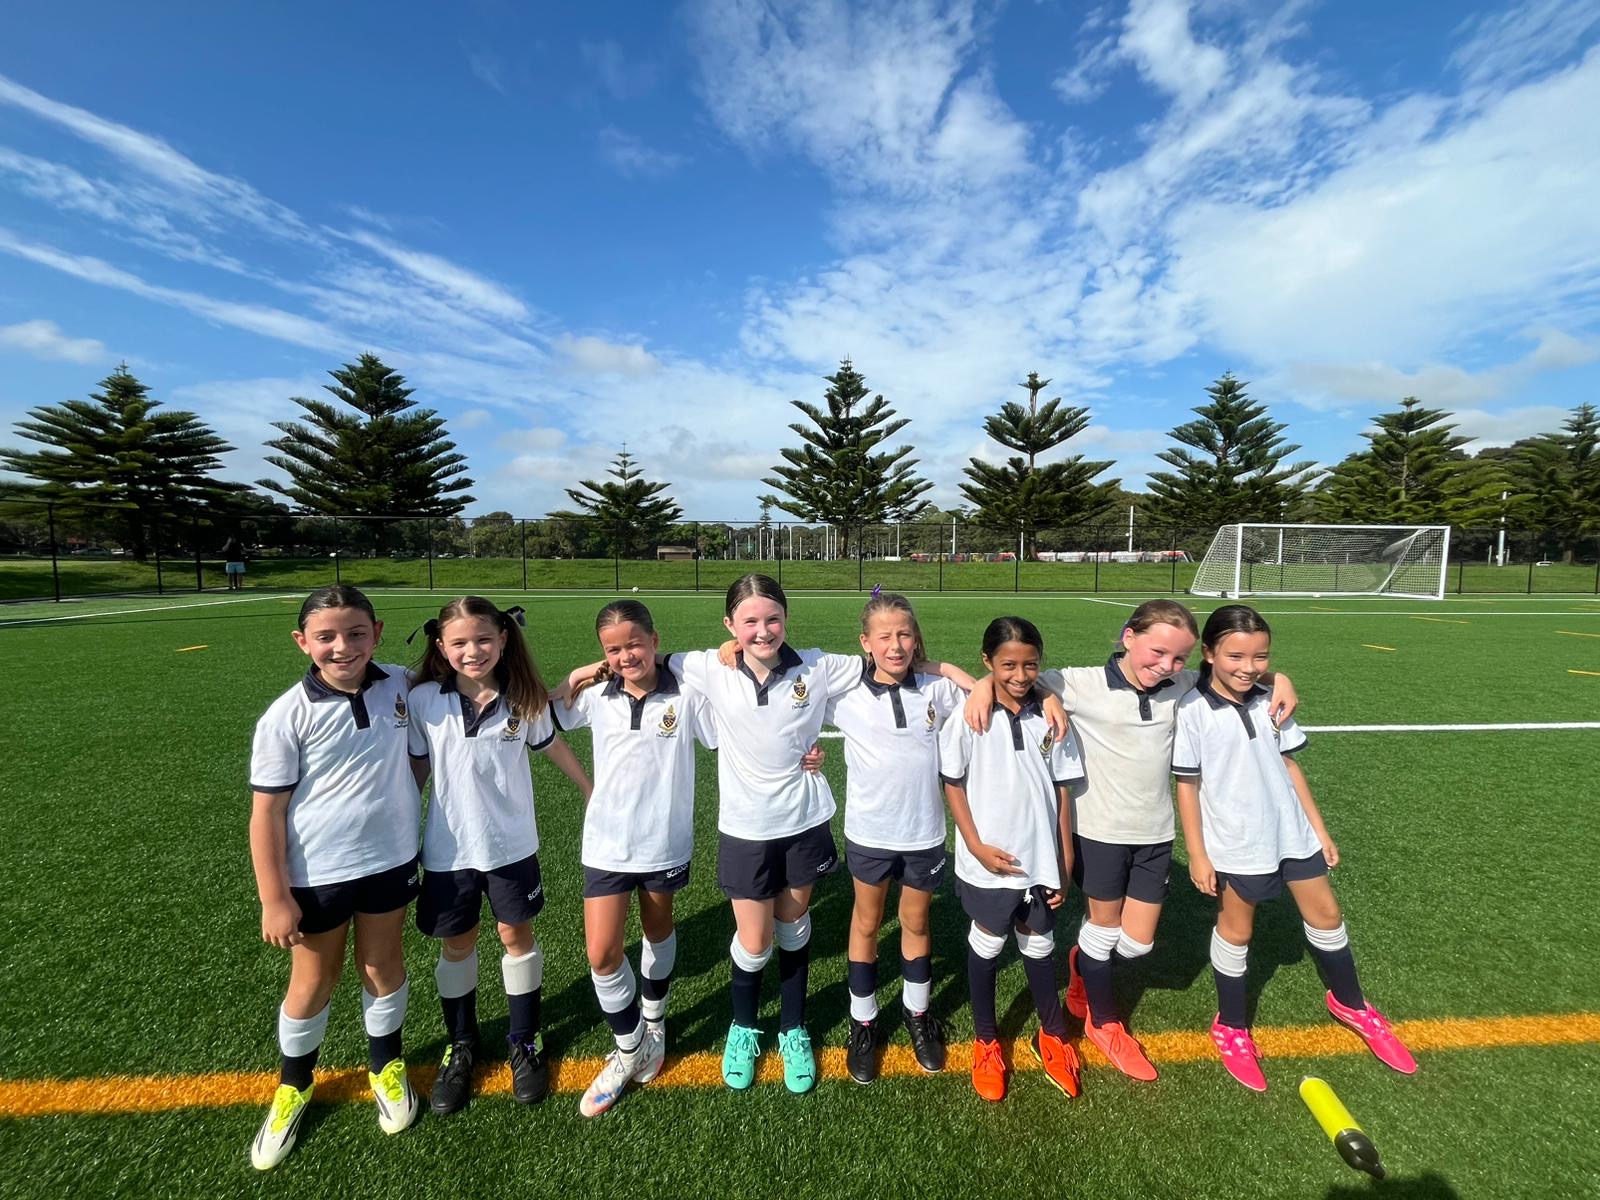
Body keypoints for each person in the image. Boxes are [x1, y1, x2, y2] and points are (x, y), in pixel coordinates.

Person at [964, 599, 1295, 1082]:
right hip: (1099, 832)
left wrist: (1279, 679)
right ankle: (1104, 1023)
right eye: (1157, 652)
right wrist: (982, 686)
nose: (1166, 665)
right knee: (1103, 929)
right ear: (1128, 637)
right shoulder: (1078, 683)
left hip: (1156, 833)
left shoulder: (1181, 684)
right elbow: (1015, 674)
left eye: (1179, 658)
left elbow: (1237, 673)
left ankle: (1082, 966)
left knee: (1137, 944)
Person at [1173, 604, 1416, 1092]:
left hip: (1291, 833)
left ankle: (1350, 1003)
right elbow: (1187, 784)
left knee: (1327, 915)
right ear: (1209, 653)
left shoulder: (1272, 700)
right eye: (1236, 656)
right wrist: (1198, 853)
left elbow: (1289, 765)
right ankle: (1231, 1025)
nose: (1249, 667)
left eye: (1261, 657)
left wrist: (1318, 830)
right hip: (1237, 841)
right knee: (1237, 930)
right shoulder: (1192, 710)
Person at [669, 575, 890, 1093]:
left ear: (787, 619)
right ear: (730, 625)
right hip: (745, 829)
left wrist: (973, 681)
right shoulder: (709, 666)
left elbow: (887, 659)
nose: (763, 630)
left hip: (802, 823)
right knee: (755, 940)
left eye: (773, 619)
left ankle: (793, 1028)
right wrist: (585, 673)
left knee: (792, 927)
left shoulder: (816, 666)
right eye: (749, 621)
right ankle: (743, 1027)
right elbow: (646, 659)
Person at [247, 585, 421, 1171]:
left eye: (355, 633)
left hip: (392, 860)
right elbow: (266, 813)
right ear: (302, 642)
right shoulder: (286, 715)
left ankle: (386, 1064)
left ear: (377, 632)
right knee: (313, 981)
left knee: (382, 965)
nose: (342, 647)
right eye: (326, 637)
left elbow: (464, 669)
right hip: (318, 872)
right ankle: (294, 1084)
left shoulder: (399, 683)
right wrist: (274, 897)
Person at [407, 596, 592, 1116]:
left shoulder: (524, 699)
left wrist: (589, 789)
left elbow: (552, 746)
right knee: (458, 944)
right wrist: (398, 824)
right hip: (448, 851)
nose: (473, 651)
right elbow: (417, 770)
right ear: (441, 646)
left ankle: (525, 1039)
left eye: (484, 639)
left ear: (504, 639)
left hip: (511, 846)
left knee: (515, 936)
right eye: (460, 643)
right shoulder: (423, 701)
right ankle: (461, 1043)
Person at [553, 600, 718, 1117]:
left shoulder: (686, 694)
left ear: (654, 641)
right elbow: (544, 707)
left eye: (635, 644)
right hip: (606, 841)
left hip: (663, 842)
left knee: (657, 930)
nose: (626, 656)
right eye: (613, 649)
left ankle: (654, 1020)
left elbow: (731, 732)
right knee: (602, 953)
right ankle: (630, 1050)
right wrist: (580, 673)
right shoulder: (594, 695)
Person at [824, 590, 974, 1083]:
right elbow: (787, 702)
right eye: (885, 636)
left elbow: (984, 696)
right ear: (864, 642)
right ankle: (864, 1020)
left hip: (924, 834)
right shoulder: (844, 695)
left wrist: (944, 668)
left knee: (915, 920)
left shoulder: (935, 690)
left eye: (905, 635)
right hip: (870, 833)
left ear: (916, 639)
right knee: (867, 922)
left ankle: (917, 1012)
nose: (896, 645)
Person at [941, 616, 1086, 1103]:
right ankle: (986, 1040)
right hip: (989, 860)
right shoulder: (969, 716)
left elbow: (1062, 790)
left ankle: (1052, 1034)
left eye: (1030, 665)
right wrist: (975, 845)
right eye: (1008, 665)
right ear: (987, 662)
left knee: (1039, 945)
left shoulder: (1053, 717)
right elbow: (953, 784)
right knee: (987, 944)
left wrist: (1064, 856)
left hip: (1040, 858)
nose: (1020, 675)